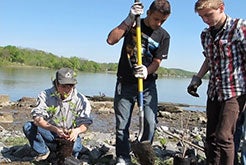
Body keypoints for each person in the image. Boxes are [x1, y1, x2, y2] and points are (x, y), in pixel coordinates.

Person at [106, 0, 171, 164]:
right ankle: (123, 157)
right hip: (125, 83)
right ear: (148, 13)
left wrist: (146, 71)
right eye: (156, 19)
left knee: (149, 121)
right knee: (122, 124)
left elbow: (157, 61)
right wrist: (129, 18)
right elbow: (110, 40)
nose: (159, 23)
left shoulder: (164, 36)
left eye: (163, 21)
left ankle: (143, 153)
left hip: (147, 85)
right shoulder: (134, 24)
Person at [187, 0, 246, 164]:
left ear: (221, 8)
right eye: (201, 17)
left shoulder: (239, 28)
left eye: (208, 15)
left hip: (235, 91)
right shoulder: (205, 35)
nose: (205, 19)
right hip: (214, 90)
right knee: (211, 137)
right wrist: (197, 79)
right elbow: (209, 59)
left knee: (224, 136)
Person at [23, 67, 93, 161]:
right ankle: (43, 151)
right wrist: (55, 129)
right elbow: (37, 119)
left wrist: (76, 131)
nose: (67, 89)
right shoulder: (45, 95)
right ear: (56, 83)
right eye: (64, 86)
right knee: (28, 126)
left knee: (75, 148)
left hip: (69, 134)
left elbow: (86, 122)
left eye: (70, 85)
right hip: (49, 131)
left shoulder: (81, 99)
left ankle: (61, 151)